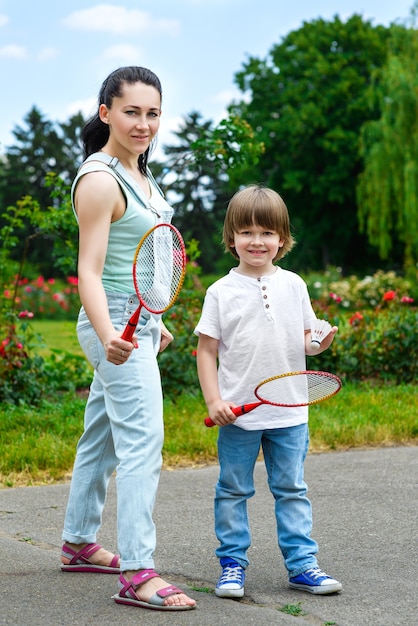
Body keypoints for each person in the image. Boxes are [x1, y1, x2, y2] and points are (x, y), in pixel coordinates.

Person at [60, 66, 196, 611]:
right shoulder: (100, 180)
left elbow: (144, 256)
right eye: (132, 112)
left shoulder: (141, 174)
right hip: (113, 325)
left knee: (104, 437)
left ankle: (77, 541)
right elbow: (89, 272)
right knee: (144, 444)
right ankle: (140, 573)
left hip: (138, 320)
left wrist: (155, 317)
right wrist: (109, 332)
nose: (144, 124)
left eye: (153, 113)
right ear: (106, 113)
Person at [194, 185, 342, 598]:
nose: (256, 241)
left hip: (291, 413)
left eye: (266, 233)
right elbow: (206, 352)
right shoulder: (220, 292)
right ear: (231, 238)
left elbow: (307, 339)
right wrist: (214, 400)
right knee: (233, 490)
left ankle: (302, 566)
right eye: (246, 232)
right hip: (239, 415)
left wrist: (320, 343)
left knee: (292, 489)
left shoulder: (294, 285)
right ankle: (232, 565)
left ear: (282, 239)